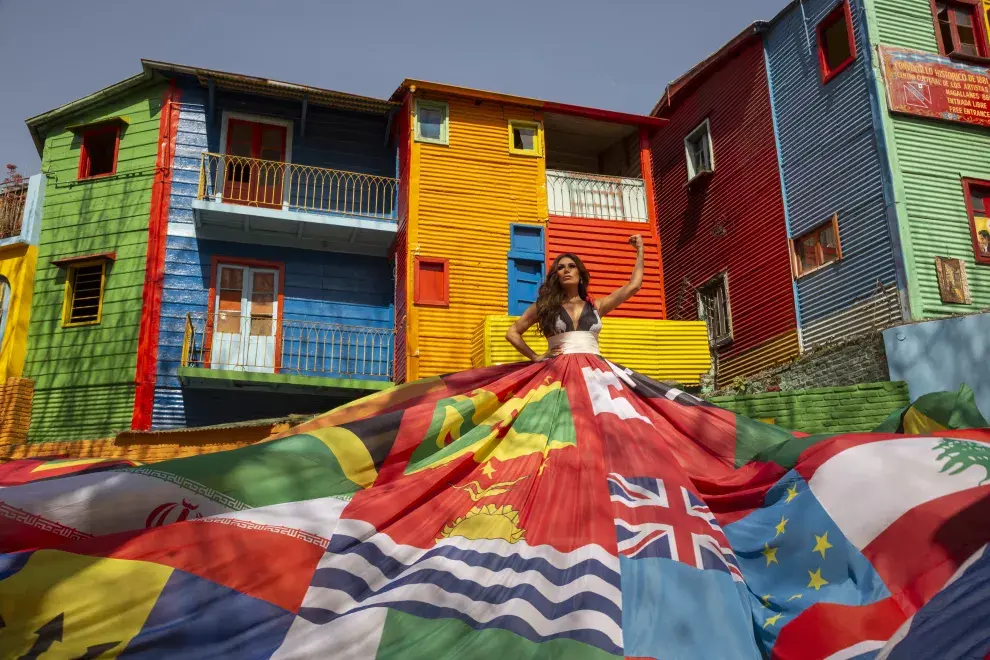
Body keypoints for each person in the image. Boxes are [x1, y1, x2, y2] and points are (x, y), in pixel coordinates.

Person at [505, 234, 645, 361]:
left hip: (594, 371)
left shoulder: (597, 306)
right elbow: (512, 333)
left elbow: (634, 286)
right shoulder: (544, 306)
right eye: (560, 268)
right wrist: (535, 357)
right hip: (557, 371)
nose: (566, 270)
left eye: (572, 266)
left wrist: (640, 250)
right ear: (556, 276)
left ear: (580, 275)